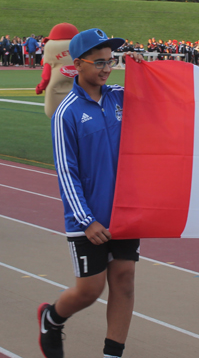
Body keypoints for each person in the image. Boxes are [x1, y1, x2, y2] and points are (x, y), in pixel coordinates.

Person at [38, 28, 143, 358]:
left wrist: (144, 71)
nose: (106, 68)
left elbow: (159, 96)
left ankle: (112, 354)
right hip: (87, 218)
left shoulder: (119, 97)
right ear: (78, 64)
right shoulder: (66, 112)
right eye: (99, 62)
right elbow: (66, 172)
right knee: (90, 290)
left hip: (124, 212)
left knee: (124, 281)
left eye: (110, 61)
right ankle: (51, 319)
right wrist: (86, 220)